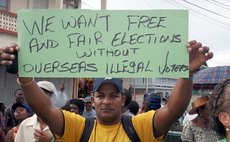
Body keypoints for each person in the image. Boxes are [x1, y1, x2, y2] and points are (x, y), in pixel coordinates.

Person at [0, 40, 213, 141]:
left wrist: (186, 73)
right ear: (93, 100)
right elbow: (44, 108)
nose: (106, 101)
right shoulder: (78, 126)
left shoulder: (140, 126)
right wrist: (25, 75)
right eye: (101, 95)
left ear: (122, 101)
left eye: (113, 95)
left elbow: (174, 110)